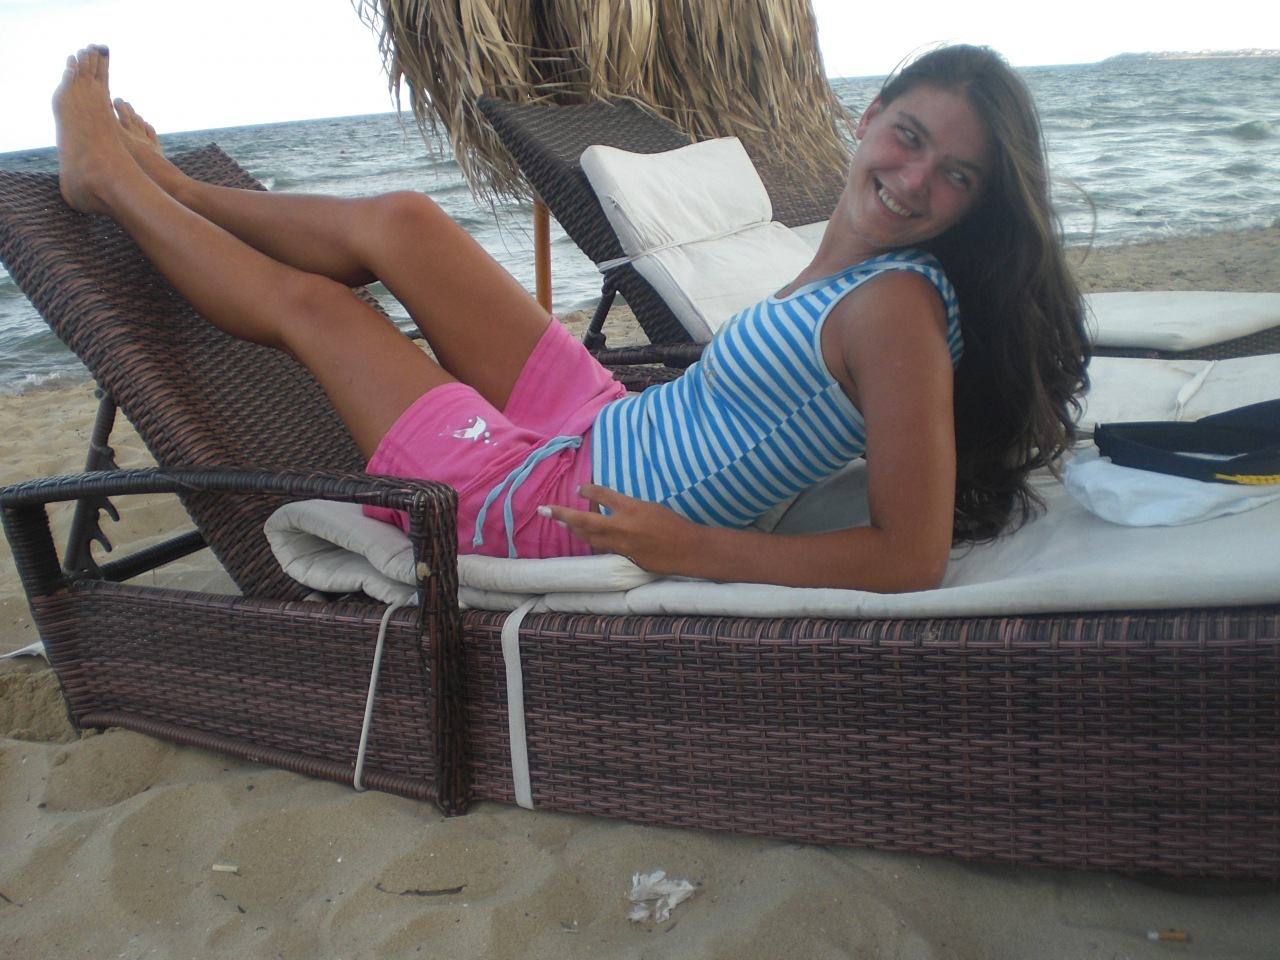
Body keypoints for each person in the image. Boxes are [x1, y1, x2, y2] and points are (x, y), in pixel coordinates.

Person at [51, 43, 1088, 594]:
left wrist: (689, 548)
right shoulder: (851, 266)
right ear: (866, 119)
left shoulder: (898, 307)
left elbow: (908, 558)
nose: (913, 179)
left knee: (320, 311)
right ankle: (177, 188)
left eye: (955, 175)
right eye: (907, 136)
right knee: (409, 224)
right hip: (599, 422)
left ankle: (111, 183)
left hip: (551, 501)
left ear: (977, 202)